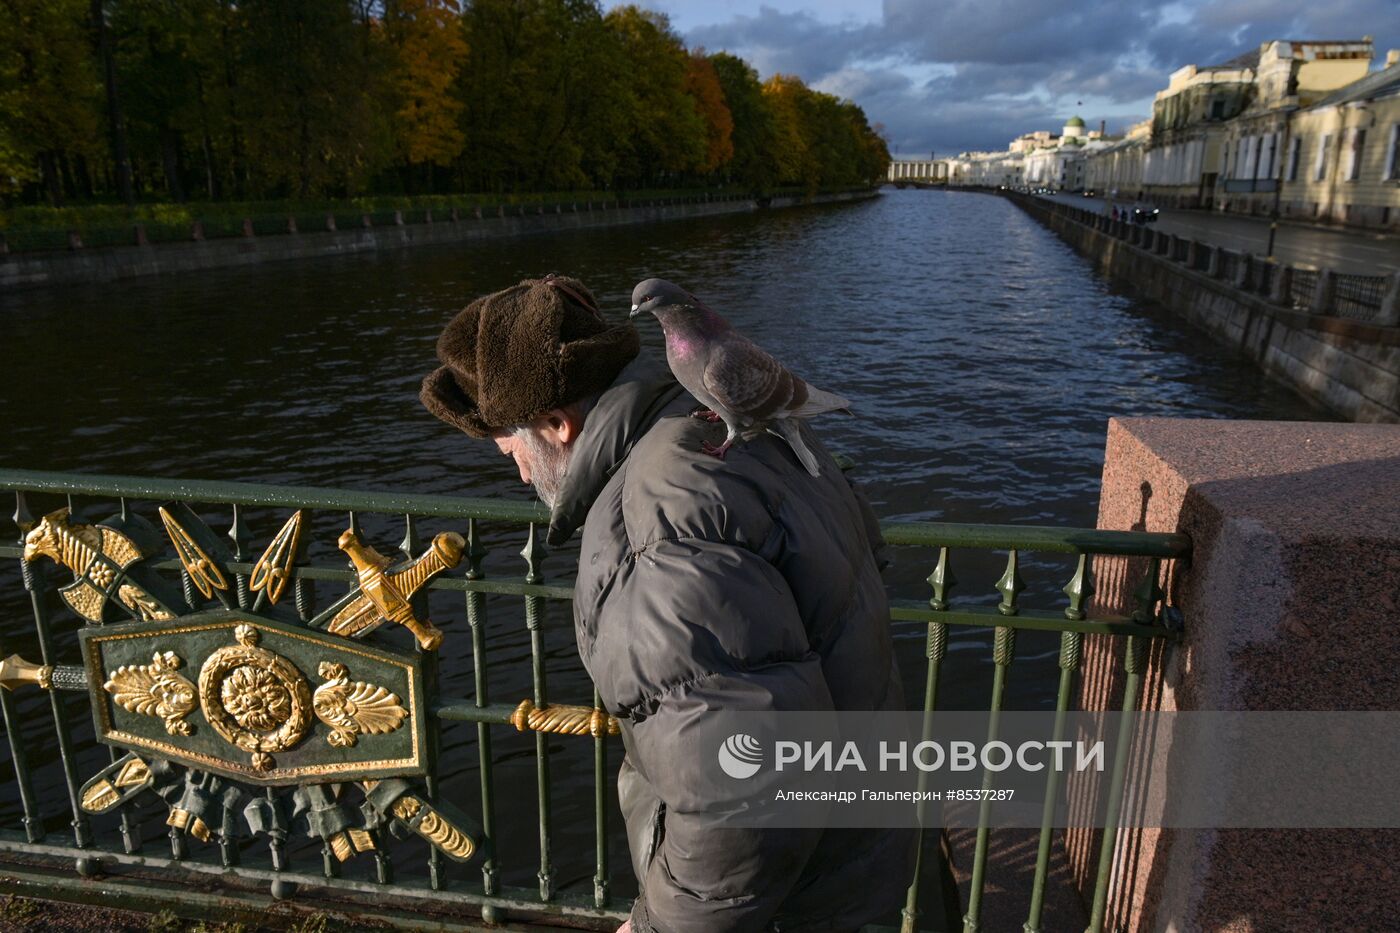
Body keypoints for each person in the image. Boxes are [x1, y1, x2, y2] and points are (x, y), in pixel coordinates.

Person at [420, 275, 915, 933]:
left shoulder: (653, 520)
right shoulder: (722, 433)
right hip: (859, 848)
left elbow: (745, 788)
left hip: (794, 901)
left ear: (555, 423)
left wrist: (659, 925)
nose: (517, 472)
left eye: (511, 448)